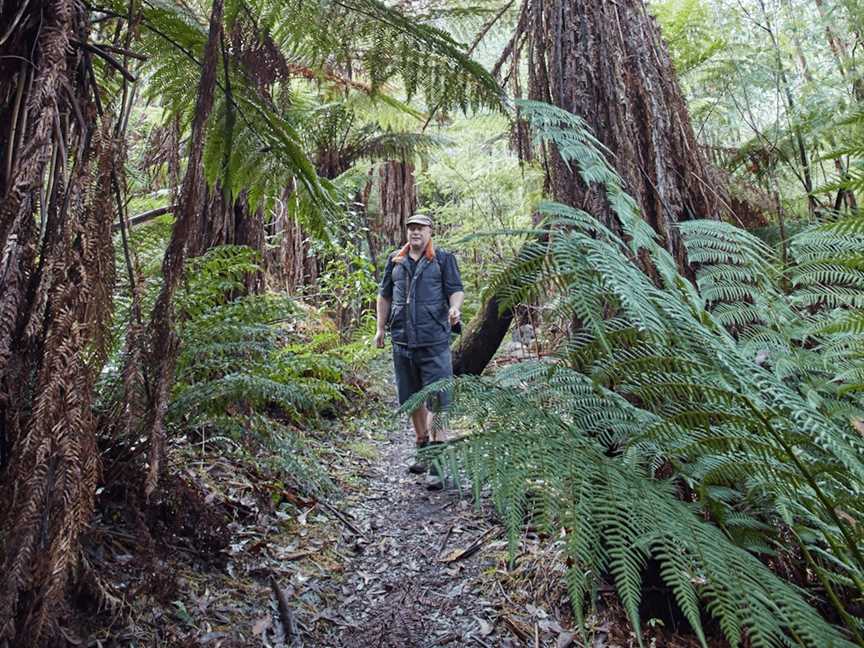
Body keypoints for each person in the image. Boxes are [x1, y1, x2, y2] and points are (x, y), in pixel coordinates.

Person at [373, 213, 464, 489]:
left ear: (429, 232)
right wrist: (379, 329)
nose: (415, 233)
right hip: (402, 342)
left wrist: (455, 308)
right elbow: (384, 295)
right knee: (411, 399)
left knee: (438, 399)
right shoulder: (395, 261)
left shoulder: (443, 259)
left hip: (435, 341)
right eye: (411, 228)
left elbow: (456, 290)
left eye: (420, 228)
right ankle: (422, 447)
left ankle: (437, 461)